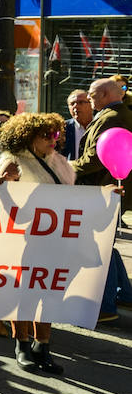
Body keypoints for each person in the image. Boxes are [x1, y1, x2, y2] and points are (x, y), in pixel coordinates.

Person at [0, 113, 74, 373]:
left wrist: (107, 196)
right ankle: (22, 345)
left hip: (54, 238)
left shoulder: (59, 162)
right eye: (46, 135)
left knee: (49, 290)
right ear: (28, 137)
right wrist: (6, 181)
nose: (53, 140)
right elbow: (1, 196)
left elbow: (75, 198)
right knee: (26, 291)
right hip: (24, 239)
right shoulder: (13, 162)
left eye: (56, 134)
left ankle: (43, 346)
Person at [71, 78, 132, 321]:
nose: (90, 99)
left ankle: (105, 307)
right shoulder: (120, 113)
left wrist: (67, 168)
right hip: (111, 189)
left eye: (92, 95)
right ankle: (125, 294)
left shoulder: (110, 118)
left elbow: (95, 158)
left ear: (105, 94)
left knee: (99, 248)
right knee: (107, 244)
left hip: (104, 190)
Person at [64, 89, 94, 158]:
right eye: (72, 104)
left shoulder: (101, 125)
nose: (75, 106)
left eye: (81, 102)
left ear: (91, 105)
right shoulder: (64, 128)